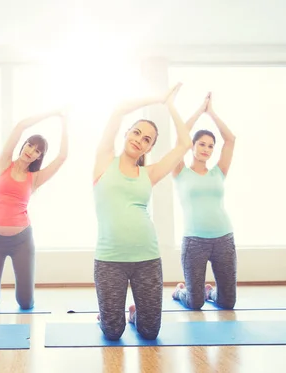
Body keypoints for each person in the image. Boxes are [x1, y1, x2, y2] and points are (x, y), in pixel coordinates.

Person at [93, 82, 192, 341]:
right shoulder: (105, 160)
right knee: (113, 332)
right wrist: (159, 97)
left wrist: (170, 105)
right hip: (109, 261)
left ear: (149, 148)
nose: (139, 140)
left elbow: (185, 144)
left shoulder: (149, 173)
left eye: (147, 139)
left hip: (146, 259)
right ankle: (107, 315)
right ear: (127, 133)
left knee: (150, 332)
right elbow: (119, 110)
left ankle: (134, 314)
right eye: (136, 133)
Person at [0, 109, 69, 310]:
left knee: (26, 302)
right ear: (24, 146)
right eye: (30, 145)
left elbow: (62, 157)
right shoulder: (4, 164)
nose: (31, 151)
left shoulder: (35, 178)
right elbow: (20, 126)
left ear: (38, 156)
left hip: (21, 241)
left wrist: (63, 121)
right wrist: (51, 113)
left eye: (37, 150)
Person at [171, 92, 237, 310]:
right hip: (194, 242)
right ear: (192, 145)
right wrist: (200, 111)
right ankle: (181, 291)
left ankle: (210, 291)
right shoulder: (180, 172)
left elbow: (231, 140)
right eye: (201, 144)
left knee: (228, 302)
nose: (206, 149)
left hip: (223, 239)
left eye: (210, 146)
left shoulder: (218, 172)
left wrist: (212, 114)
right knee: (194, 303)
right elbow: (180, 138)